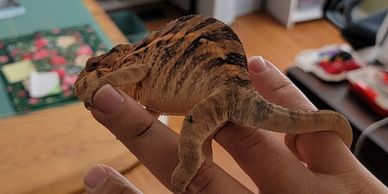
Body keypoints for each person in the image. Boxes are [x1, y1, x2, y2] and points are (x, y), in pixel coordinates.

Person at [82, 56, 388, 194]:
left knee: (194, 135)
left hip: (221, 88)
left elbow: (136, 71)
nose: (95, 72)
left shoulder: (133, 62)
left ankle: (189, 170)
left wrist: (102, 84)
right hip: (216, 83)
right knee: (201, 132)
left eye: (97, 67)